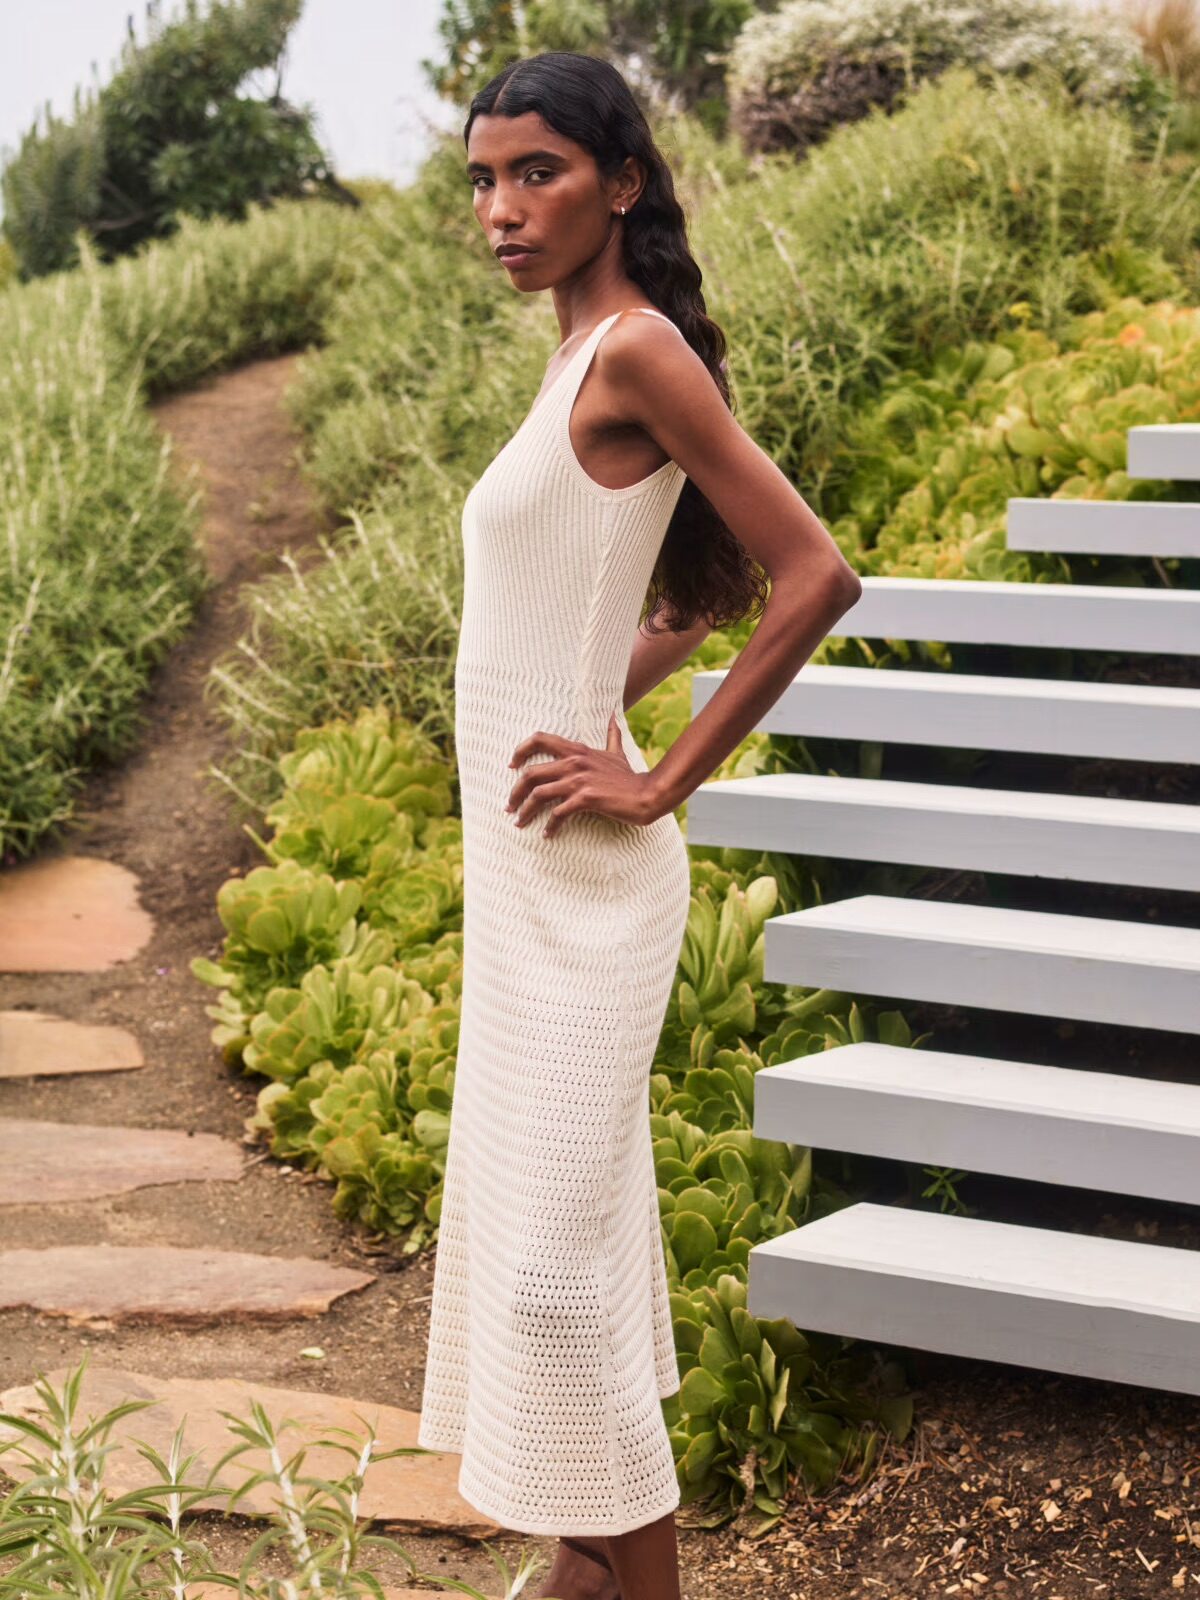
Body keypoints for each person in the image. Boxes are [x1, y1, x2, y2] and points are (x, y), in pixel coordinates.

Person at [415, 49, 863, 1600]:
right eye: (483, 179)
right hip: (522, 874)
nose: (502, 207)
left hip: (594, 881)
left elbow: (813, 574)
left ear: (621, 180)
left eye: (535, 171)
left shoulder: (638, 352)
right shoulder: (575, 359)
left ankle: (614, 1573)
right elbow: (664, 594)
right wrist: (591, 693)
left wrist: (661, 778)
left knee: (552, 1275)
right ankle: (592, 1573)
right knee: (561, 1260)